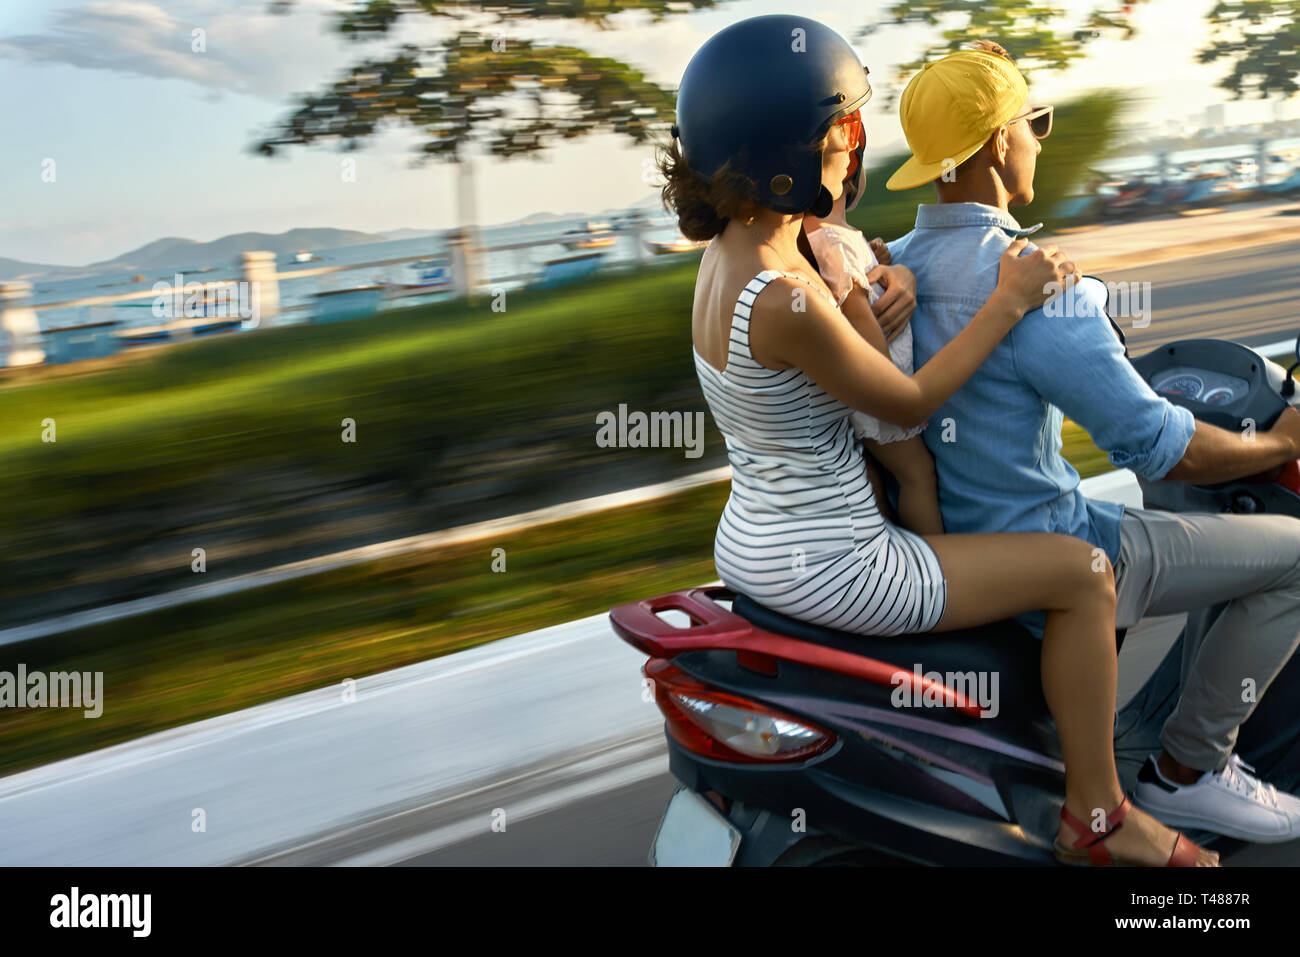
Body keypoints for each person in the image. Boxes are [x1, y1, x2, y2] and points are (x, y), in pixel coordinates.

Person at [663, 14, 1215, 866]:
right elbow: (911, 399)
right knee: (1086, 574)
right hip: (844, 561)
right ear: (789, 146)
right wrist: (1010, 297)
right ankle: (1101, 817)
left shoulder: (731, 261)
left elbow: (843, 310)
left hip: (754, 546)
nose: (855, 148)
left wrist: (893, 277)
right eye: (842, 128)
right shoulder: (783, 293)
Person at [886, 40, 1300, 843]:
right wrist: (1275, 438)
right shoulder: (1036, 285)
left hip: (945, 556)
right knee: (1292, 551)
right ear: (1000, 144)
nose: (1039, 137)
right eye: (1033, 121)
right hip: (1054, 551)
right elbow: (1164, 451)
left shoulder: (889, 273)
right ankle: (1190, 769)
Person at [802, 133, 943, 535]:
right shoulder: (832, 242)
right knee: (919, 475)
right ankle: (936, 561)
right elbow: (856, 314)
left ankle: (902, 550)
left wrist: (879, 260)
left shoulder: (832, 237)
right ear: (851, 171)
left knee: (882, 482)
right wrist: (892, 384)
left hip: (867, 399)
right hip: (879, 397)